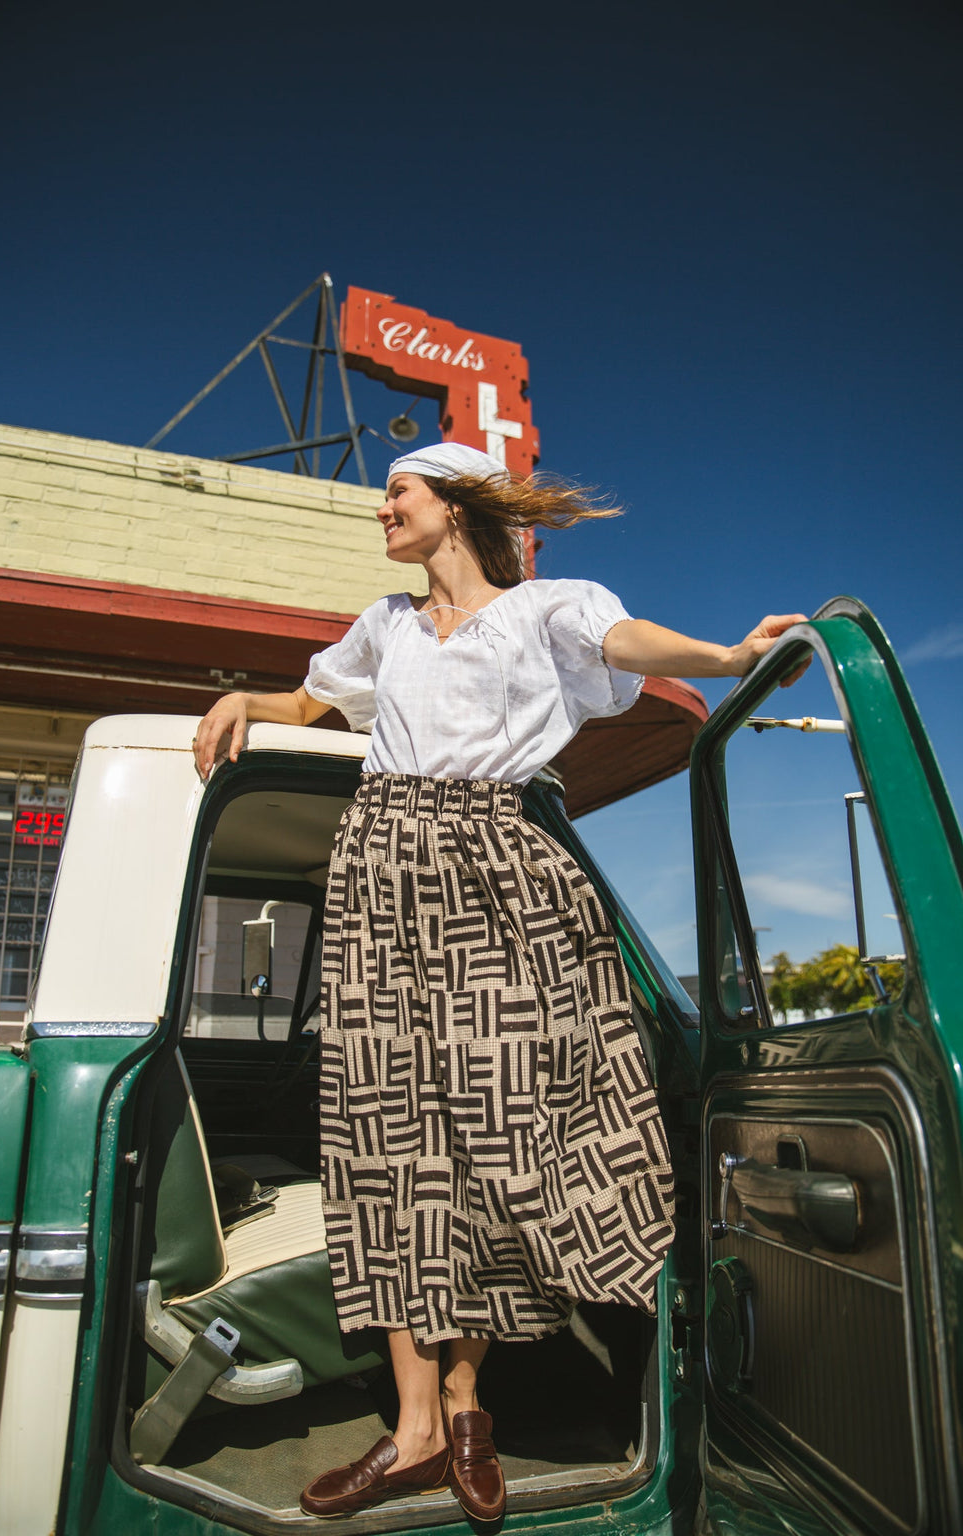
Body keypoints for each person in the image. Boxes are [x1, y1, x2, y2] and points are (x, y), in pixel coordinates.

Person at [193, 442, 806, 1523]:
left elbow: (623, 641)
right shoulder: (383, 624)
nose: (381, 509)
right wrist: (249, 697)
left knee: (493, 1136)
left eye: (399, 492)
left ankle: (471, 1401)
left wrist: (722, 652)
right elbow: (312, 704)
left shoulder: (547, 610)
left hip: (495, 868)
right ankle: (417, 1428)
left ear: (458, 505)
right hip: (383, 870)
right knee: (382, 1139)